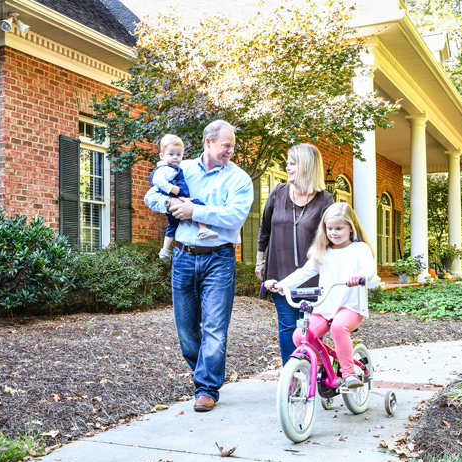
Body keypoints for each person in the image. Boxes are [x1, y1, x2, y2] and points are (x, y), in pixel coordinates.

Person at [144, 120, 253, 412]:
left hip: (219, 258)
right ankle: (203, 370)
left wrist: (195, 210)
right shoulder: (183, 168)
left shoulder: (239, 179)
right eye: (225, 145)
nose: (230, 151)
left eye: (232, 146)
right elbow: (151, 195)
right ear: (208, 142)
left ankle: (206, 387)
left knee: (216, 328)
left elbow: (235, 218)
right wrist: (169, 204)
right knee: (186, 329)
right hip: (182, 256)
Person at [263, 203, 376, 388]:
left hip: (350, 307)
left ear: (351, 228)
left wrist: (361, 276)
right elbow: (303, 273)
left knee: (339, 327)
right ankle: (324, 367)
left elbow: (369, 268)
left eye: (339, 228)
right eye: (329, 228)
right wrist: (280, 285)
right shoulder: (323, 252)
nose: (333, 232)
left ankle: (348, 374)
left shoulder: (359, 249)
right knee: (300, 336)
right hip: (325, 307)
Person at [255, 144, 333, 366]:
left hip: (313, 277)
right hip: (279, 273)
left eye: (292, 163)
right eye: (287, 163)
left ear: (307, 166)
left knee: (308, 328)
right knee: (288, 326)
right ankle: (294, 378)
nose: (287, 167)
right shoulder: (278, 193)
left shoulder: (325, 200)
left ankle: (314, 371)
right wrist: (260, 262)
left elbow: (333, 238)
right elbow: (265, 229)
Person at [149, 134, 219, 262]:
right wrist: (171, 189)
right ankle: (203, 229)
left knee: (172, 225)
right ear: (162, 156)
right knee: (198, 204)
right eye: (171, 154)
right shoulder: (166, 169)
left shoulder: (176, 167)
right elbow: (155, 181)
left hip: (175, 202)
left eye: (179, 154)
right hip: (177, 197)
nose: (175, 157)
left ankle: (165, 249)